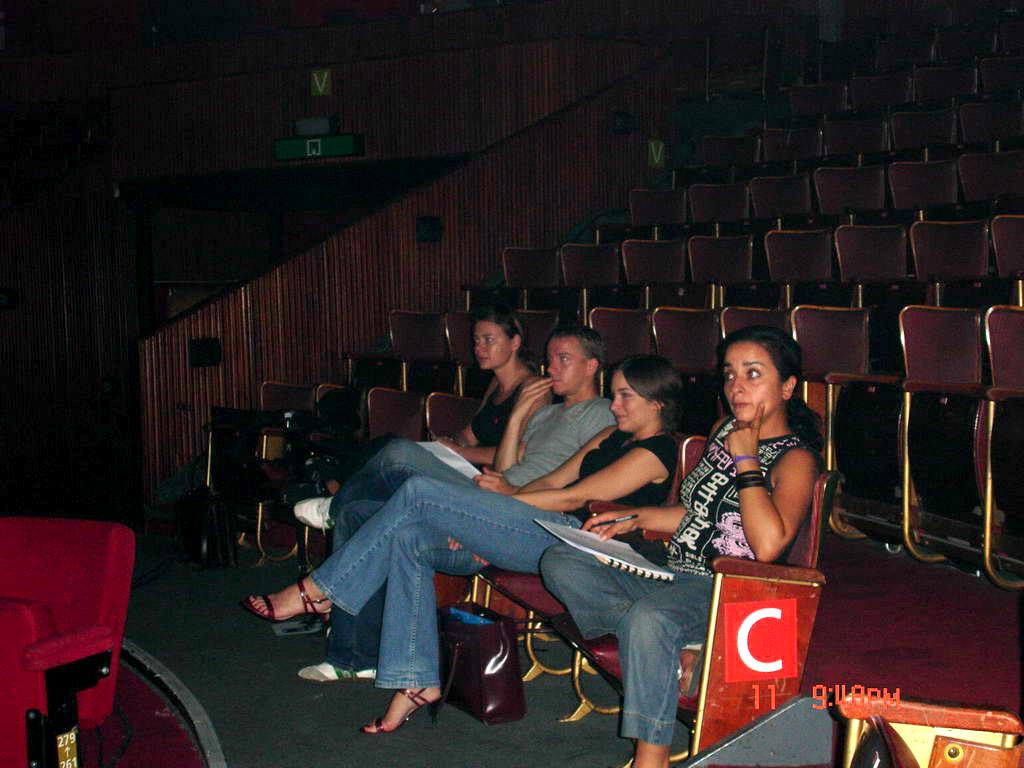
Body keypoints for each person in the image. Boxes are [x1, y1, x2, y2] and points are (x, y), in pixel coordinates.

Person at [241, 354, 684, 735]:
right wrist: (479, 517)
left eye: (625, 396)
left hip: (573, 543)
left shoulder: (656, 453)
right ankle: (416, 680)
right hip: (537, 521)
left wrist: (489, 509)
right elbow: (554, 481)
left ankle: (320, 590)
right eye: (615, 394)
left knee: (418, 492)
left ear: (657, 403)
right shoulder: (612, 435)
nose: (614, 404)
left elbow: (573, 499)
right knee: (411, 537)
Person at [539, 325, 823, 768]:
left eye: (753, 374)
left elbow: (767, 546)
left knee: (650, 619)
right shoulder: (723, 429)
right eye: (729, 374)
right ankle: (678, 649)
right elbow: (695, 513)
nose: (736, 386)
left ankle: (651, 757)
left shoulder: (795, 459)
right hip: (674, 571)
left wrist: (746, 459)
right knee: (562, 559)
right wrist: (636, 518)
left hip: (730, 587)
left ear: (787, 387)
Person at [293, 322, 615, 681]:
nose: (551, 367)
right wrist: (519, 416)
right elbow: (505, 469)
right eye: (549, 358)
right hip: (492, 501)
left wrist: (482, 516)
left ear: (591, 366)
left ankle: (330, 523)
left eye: (563, 359)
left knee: (400, 454)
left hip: (520, 516)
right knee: (357, 514)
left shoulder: (602, 414)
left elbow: (570, 486)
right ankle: (353, 658)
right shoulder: (546, 413)